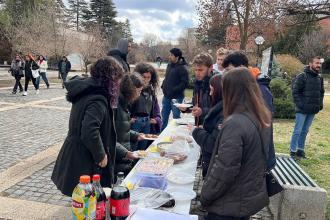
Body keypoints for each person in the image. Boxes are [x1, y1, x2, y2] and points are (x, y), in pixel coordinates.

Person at [51, 57, 137, 196]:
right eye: (117, 80)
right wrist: (100, 155)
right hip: (83, 157)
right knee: (87, 200)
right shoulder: (97, 98)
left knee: (84, 199)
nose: (119, 85)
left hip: (78, 151)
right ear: (110, 79)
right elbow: (89, 130)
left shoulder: (89, 91)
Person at [201, 67, 272, 220]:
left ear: (231, 91)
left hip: (228, 206)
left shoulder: (235, 123)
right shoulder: (260, 115)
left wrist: (205, 195)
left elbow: (225, 169)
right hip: (243, 200)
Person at [222, 51, 276, 170]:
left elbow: (265, 129)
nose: (227, 75)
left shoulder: (260, 89)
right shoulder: (244, 86)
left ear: (241, 68)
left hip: (257, 164)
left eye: (230, 70)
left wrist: (260, 166)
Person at [290, 56, 325, 159]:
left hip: (312, 110)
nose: (318, 65)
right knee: (298, 130)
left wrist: (320, 105)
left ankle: (300, 150)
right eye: (316, 63)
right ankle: (292, 151)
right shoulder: (302, 76)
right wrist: (301, 105)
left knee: (305, 131)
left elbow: (321, 92)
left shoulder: (320, 78)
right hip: (302, 110)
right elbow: (295, 92)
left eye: (319, 63)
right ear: (310, 63)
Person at [192, 74, 224, 177]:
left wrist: (196, 131)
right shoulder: (220, 107)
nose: (210, 94)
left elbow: (212, 143)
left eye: (212, 90)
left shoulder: (224, 111)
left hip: (214, 165)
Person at [115, 73, 145, 175]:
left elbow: (123, 129)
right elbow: (109, 137)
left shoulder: (124, 104)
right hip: (118, 159)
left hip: (123, 157)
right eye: (139, 91)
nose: (139, 95)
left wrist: (136, 135)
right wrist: (126, 153)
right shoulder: (116, 106)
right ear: (131, 89)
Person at [130, 63, 162, 150]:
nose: (146, 80)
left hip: (147, 122)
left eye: (149, 77)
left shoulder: (151, 90)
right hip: (135, 122)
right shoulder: (133, 88)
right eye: (144, 77)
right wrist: (128, 118)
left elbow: (156, 108)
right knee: (133, 148)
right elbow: (126, 105)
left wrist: (156, 119)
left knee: (143, 149)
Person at [179, 53, 213, 126]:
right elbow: (194, 105)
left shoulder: (217, 84)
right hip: (198, 127)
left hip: (212, 130)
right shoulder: (195, 83)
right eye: (196, 70)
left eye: (200, 70)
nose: (197, 73)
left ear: (210, 68)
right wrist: (186, 108)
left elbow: (223, 109)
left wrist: (202, 111)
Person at [161, 48, 189, 131]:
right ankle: (161, 134)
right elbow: (166, 78)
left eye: (171, 55)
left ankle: (176, 134)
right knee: (164, 117)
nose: (169, 56)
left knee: (176, 117)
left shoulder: (183, 68)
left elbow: (184, 83)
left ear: (177, 56)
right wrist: (163, 86)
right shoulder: (169, 65)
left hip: (177, 97)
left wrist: (173, 90)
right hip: (166, 96)